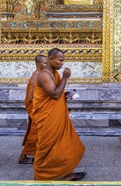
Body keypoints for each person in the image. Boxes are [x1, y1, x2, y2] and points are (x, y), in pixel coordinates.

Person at [32, 48, 86, 180]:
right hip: (47, 117)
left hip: (55, 114)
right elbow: (55, 94)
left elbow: (57, 92)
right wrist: (65, 78)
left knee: (63, 145)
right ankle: (41, 174)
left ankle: (63, 172)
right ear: (51, 59)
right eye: (60, 60)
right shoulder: (44, 75)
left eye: (63, 61)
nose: (62, 63)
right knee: (47, 146)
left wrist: (65, 94)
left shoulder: (54, 74)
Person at [18, 55, 47, 164]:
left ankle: (39, 155)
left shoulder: (42, 74)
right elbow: (31, 97)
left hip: (39, 105)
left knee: (37, 130)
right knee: (35, 131)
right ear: (38, 63)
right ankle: (23, 156)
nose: (47, 65)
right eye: (44, 63)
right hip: (35, 106)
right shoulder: (36, 76)